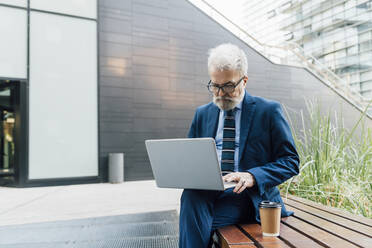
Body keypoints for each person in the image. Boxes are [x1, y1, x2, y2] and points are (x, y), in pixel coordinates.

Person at [178, 43, 300, 248]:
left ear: (244, 80)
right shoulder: (202, 113)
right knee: (191, 195)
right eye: (215, 85)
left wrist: (252, 176)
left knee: (193, 221)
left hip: (247, 197)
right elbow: (190, 158)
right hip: (208, 192)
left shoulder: (268, 111)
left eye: (228, 86)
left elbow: (291, 162)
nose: (220, 93)